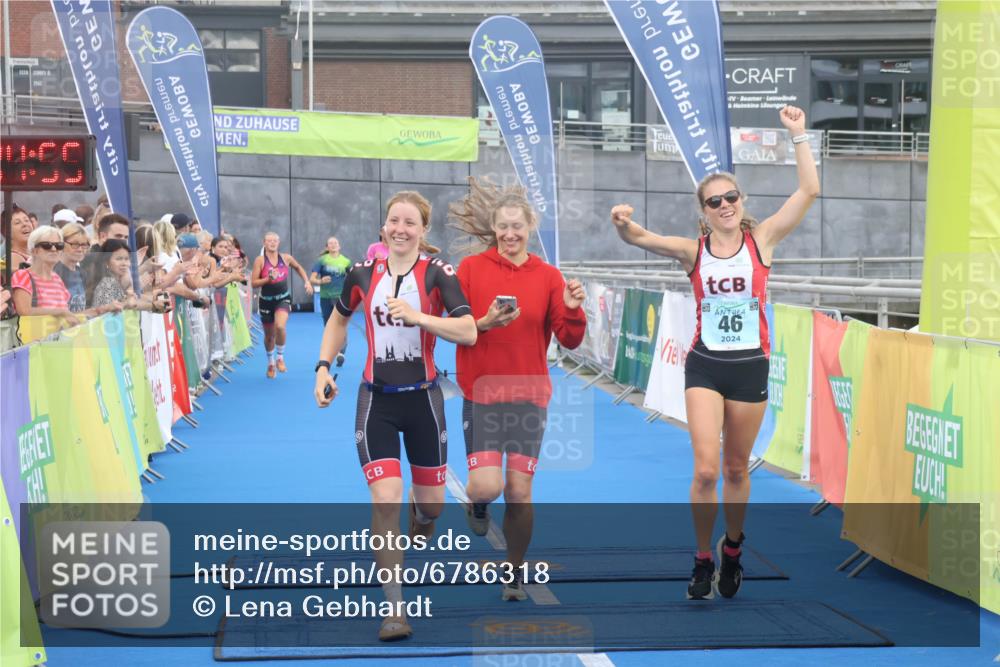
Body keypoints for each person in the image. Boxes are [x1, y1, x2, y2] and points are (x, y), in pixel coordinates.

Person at [609, 105, 819, 600]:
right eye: (713, 201)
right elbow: (639, 237)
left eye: (729, 197)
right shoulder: (692, 250)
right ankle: (702, 557)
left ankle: (733, 550)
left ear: (740, 201)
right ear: (702, 210)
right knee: (705, 469)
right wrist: (622, 222)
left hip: (749, 366)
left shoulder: (762, 239)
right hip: (706, 365)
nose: (723, 205)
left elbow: (808, 190)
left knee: (734, 469)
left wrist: (798, 135)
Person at [313, 190, 477, 641]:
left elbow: (468, 330)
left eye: (410, 222)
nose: (400, 229)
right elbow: (339, 320)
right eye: (393, 221)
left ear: (424, 232)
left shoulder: (439, 274)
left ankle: (421, 513)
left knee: (431, 507)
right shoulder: (360, 273)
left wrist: (422, 318)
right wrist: (323, 368)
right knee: (384, 497)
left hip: (425, 401)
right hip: (377, 401)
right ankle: (395, 610)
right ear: (383, 227)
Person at [449, 178, 587, 601]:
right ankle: (477, 505)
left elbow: (569, 339)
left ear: (531, 226)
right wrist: (483, 323)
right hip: (483, 393)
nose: (510, 234)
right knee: (487, 487)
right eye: (502, 227)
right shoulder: (472, 270)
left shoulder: (548, 277)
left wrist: (574, 309)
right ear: (493, 229)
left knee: (520, 491)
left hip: (529, 396)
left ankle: (514, 569)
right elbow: (457, 327)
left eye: (517, 226)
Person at [251, 232, 313, 378]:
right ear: (264, 243)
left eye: (275, 241)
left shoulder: (286, 258)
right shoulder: (260, 261)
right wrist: (267, 279)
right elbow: (253, 283)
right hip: (266, 300)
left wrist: (307, 281)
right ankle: (271, 363)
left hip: (283, 299)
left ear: (278, 243)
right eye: (269, 241)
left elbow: (298, 267)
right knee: (269, 336)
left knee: (280, 326)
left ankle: (280, 358)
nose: (272, 243)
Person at [10, 227, 82, 329]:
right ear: (34, 250)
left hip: (59, 341)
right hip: (33, 342)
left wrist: (98, 310)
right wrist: (59, 312)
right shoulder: (23, 276)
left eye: (59, 246)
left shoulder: (57, 279)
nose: (53, 249)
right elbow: (24, 311)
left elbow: (66, 313)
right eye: (46, 245)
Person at [309, 236, 352, 364]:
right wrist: (320, 281)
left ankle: (341, 353)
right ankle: (330, 352)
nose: (333, 245)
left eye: (335, 243)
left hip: (340, 297)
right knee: (328, 326)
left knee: (341, 324)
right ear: (327, 247)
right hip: (326, 297)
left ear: (339, 246)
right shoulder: (321, 261)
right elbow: (312, 279)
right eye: (330, 243)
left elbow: (352, 279)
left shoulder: (346, 262)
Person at [54, 222, 92, 313]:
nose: (80, 249)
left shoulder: (82, 273)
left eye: (84, 245)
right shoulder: (55, 272)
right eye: (75, 244)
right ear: (62, 244)